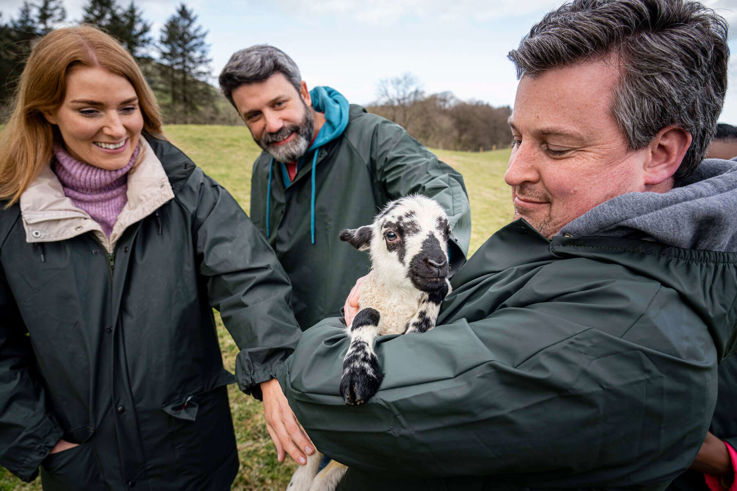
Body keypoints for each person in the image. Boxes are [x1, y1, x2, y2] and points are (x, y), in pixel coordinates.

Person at [276, 0, 737, 488]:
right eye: (517, 138)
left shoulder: (624, 336)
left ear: (661, 153)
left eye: (557, 147)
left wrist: (342, 328)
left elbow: (327, 398)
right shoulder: (578, 235)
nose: (512, 172)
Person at [0, 26, 312, 489]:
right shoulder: (10, 212)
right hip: (84, 464)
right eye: (90, 110)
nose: (116, 127)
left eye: (128, 108)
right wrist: (41, 439)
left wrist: (272, 370)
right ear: (47, 109)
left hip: (190, 453)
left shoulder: (185, 186)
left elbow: (247, 276)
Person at [218, 46, 472, 330]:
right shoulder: (262, 168)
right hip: (292, 343)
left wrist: (423, 261)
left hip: (361, 335)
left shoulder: (373, 138)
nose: (273, 124)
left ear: (303, 91)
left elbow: (441, 187)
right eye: (254, 116)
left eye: (279, 104)